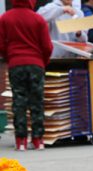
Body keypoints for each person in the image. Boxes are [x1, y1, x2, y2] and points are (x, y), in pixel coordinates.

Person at [0, 0, 53, 150]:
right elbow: (47, 46)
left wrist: (10, 57)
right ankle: (38, 140)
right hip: (36, 64)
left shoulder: (5, 18)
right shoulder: (38, 19)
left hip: (16, 64)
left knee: (19, 101)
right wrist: (43, 61)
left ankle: (20, 140)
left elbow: (1, 44)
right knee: (37, 101)